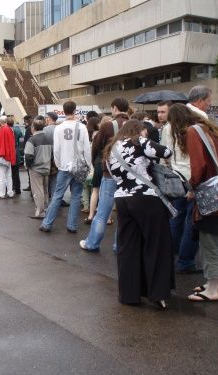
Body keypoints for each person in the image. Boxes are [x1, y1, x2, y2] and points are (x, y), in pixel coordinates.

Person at [105, 120, 173, 308]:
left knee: (128, 247)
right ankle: (158, 293)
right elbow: (166, 152)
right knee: (156, 244)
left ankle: (129, 294)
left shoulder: (112, 148)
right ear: (138, 130)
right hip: (146, 198)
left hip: (122, 199)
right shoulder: (139, 142)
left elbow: (112, 173)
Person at [80, 98, 130, 252]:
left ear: (114, 108)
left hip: (109, 172)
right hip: (129, 175)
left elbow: (96, 146)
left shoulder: (108, 125)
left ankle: (92, 243)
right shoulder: (134, 125)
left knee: (103, 212)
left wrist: (98, 162)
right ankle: (118, 246)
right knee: (124, 214)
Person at [40, 101, 91, 233]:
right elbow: (86, 149)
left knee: (57, 195)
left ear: (63, 111)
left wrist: (59, 164)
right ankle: (72, 225)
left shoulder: (59, 128)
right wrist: (88, 165)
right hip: (79, 166)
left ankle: (47, 223)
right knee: (76, 196)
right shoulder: (82, 127)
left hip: (64, 166)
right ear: (75, 111)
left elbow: (56, 150)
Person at [186, 113, 218, 302]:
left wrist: (191, 187)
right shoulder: (212, 132)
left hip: (211, 200)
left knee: (211, 244)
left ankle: (213, 289)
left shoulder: (193, 132)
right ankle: (212, 283)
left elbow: (198, 167)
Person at [162, 104, 200, 274]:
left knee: (175, 219)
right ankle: (185, 262)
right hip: (192, 179)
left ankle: (170, 252)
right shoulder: (193, 130)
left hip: (175, 178)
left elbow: (165, 153)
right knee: (192, 222)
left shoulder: (167, 128)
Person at [24, 117, 51, 219]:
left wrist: (29, 166)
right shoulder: (49, 138)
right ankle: (46, 209)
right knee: (45, 190)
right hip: (46, 167)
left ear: (33, 128)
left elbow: (28, 156)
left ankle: (40, 212)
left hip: (36, 169)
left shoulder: (32, 140)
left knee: (37, 191)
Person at [0, 115, 16, 199]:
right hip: (9, 156)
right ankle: (10, 193)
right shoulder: (10, 130)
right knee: (8, 176)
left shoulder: (2, 130)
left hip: (2, 156)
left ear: (0, 123)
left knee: (1, 177)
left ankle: (1, 194)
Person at [8, 116, 23, 195]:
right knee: (16, 173)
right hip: (16, 151)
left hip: (9, 152)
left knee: (8, 173)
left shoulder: (7, 130)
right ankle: (18, 189)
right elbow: (21, 137)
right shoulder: (17, 129)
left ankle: (10, 188)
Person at [22, 115, 33, 191]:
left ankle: (31, 186)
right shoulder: (30, 128)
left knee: (30, 170)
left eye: (25, 121)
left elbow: (27, 141)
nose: (24, 122)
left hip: (29, 152)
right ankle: (30, 185)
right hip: (30, 151)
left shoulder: (29, 129)